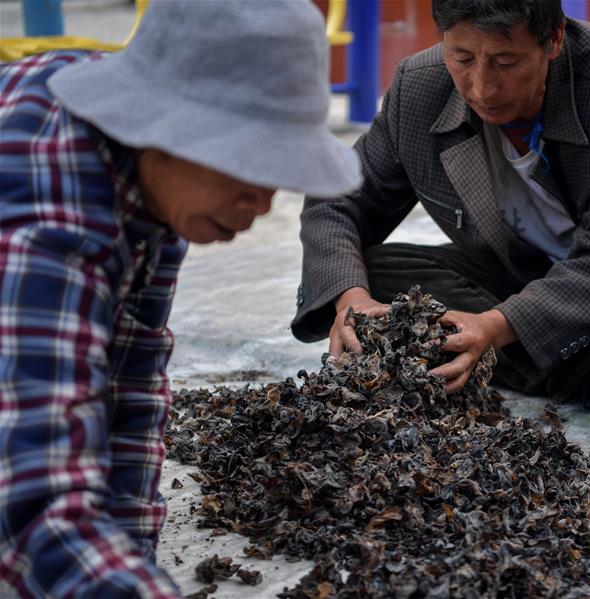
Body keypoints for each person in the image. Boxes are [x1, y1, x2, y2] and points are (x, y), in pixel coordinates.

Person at [0, 1, 360, 596]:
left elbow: (130, 382)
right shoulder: (50, 225)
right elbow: (33, 502)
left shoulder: (154, 181)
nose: (263, 203)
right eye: (245, 163)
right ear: (160, 129)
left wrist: (132, 558)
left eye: (276, 172)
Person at [291, 0, 590, 426]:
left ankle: (555, 361)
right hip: (513, 278)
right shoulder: (420, 88)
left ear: (554, 40)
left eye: (506, 62)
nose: (481, 87)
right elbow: (339, 198)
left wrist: (499, 325)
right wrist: (351, 296)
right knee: (368, 277)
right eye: (462, 57)